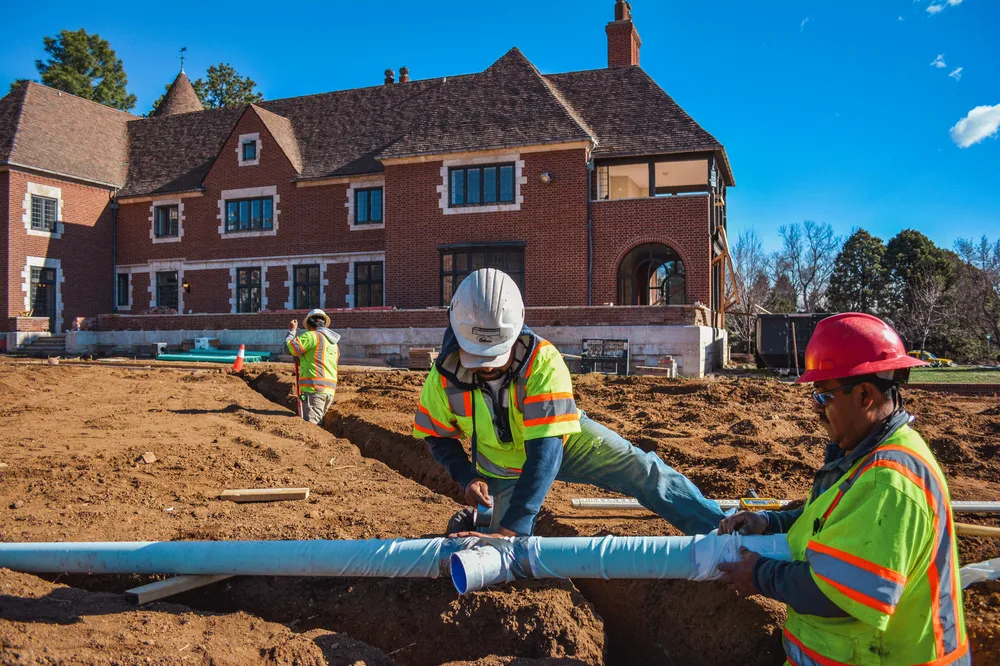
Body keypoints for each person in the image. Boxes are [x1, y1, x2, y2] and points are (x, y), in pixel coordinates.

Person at [717, 313, 968, 666]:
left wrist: (758, 575)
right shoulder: (864, 453)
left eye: (824, 397)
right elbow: (829, 518)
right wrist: (770, 523)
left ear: (865, 394)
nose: (816, 411)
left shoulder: (889, 481)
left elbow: (837, 593)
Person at [411, 268, 725, 537]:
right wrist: (467, 477)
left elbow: (545, 451)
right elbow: (436, 433)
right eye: (478, 357)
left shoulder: (542, 361)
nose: (488, 366)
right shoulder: (443, 376)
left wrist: (516, 525)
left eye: (496, 355)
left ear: (518, 326)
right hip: (499, 469)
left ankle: (723, 530)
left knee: (642, 470)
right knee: (490, 548)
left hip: (565, 442)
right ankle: (481, 524)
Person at [286, 308, 341, 425]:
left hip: (314, 389)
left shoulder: (312, 336)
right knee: (317, 424)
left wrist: (292, 331)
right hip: (329, 391)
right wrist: (302, 360)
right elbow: (320, 361)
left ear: (309, 325)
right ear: (324, 324)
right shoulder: (333, 343)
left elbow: (288, 348)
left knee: (313, 427)